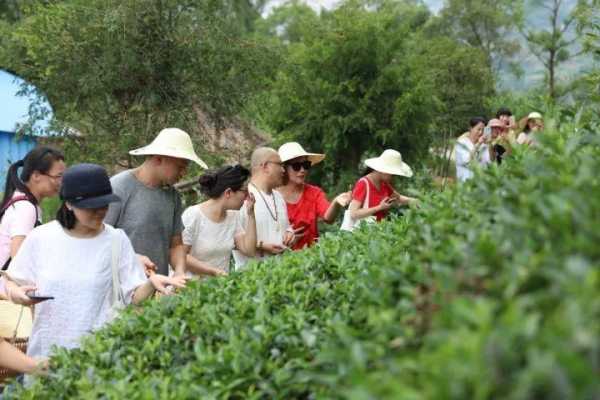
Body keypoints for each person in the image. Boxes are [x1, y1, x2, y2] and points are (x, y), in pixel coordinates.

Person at [2, 164, 186, 360]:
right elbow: (10, 281)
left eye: (105, 203)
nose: (100, 211)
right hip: (47, 355)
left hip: (100, 357)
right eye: (91, 206)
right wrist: (16, 294)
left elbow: (133, 296)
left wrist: (151, 283)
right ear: (68, 204)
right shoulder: (41, 238)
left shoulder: (116, 239)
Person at [105, 128, 207, 277]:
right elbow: (99, 239)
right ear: (159, 159)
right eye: (180, 166)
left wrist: (179, 270)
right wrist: (132, 260)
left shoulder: (173, 196)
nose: (183, 173)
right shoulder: (118, 188)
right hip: (120, 290)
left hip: (158, 291)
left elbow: (176, 244)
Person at [0, 147, 65, 300]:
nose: (61, 182)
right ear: (36, 175)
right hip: (7, 293)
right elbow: (19, 259)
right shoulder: (25, 208)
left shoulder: (23, 201)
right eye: (58, 176)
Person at [182, 165, 257, 276]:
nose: (247, 198)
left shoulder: (233, 216)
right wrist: (213, 271)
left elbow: (249, 250)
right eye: (245, 192)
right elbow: (180, 256)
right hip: (192, 287)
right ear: (228, 193)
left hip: (219, 287)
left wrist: (251, 215)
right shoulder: (193, 215)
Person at [233, 147, 301, 270]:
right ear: (265, 166)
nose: (283, 170)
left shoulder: (278, 196)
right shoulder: (241, 196)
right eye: (280, 165)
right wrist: (261, 245)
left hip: (279, 273)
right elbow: (229, 239)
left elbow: (283, 226)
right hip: (251, 276)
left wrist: (289, 233)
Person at [277, 142, 351, 250]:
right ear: (284, 169)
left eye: (306, 165)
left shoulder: (314, 193)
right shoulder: (272, 196)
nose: (302, 170)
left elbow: (328, 218)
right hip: (279, 260)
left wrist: (336, 202)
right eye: (296, 166)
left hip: (310, 258)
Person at [347, 149, 417, 225]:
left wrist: (415, 201)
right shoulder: (363, 183)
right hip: (362, 232)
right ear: (384, 170)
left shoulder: (384, 184)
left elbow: (398, 198)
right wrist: (379, 207)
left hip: (377, 229)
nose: (392, 177)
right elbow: (353, 213)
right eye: (392, 174)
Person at [455, 117, 491, 182]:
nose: (480, 132)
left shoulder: (483, 145)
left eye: (482, 130)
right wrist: (478, 144)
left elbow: (488, 164)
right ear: (471, 128)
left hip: (480, 184)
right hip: (465, 183)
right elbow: (467, 160)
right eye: (478, 129)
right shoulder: (461, 143)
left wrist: (489, 144)